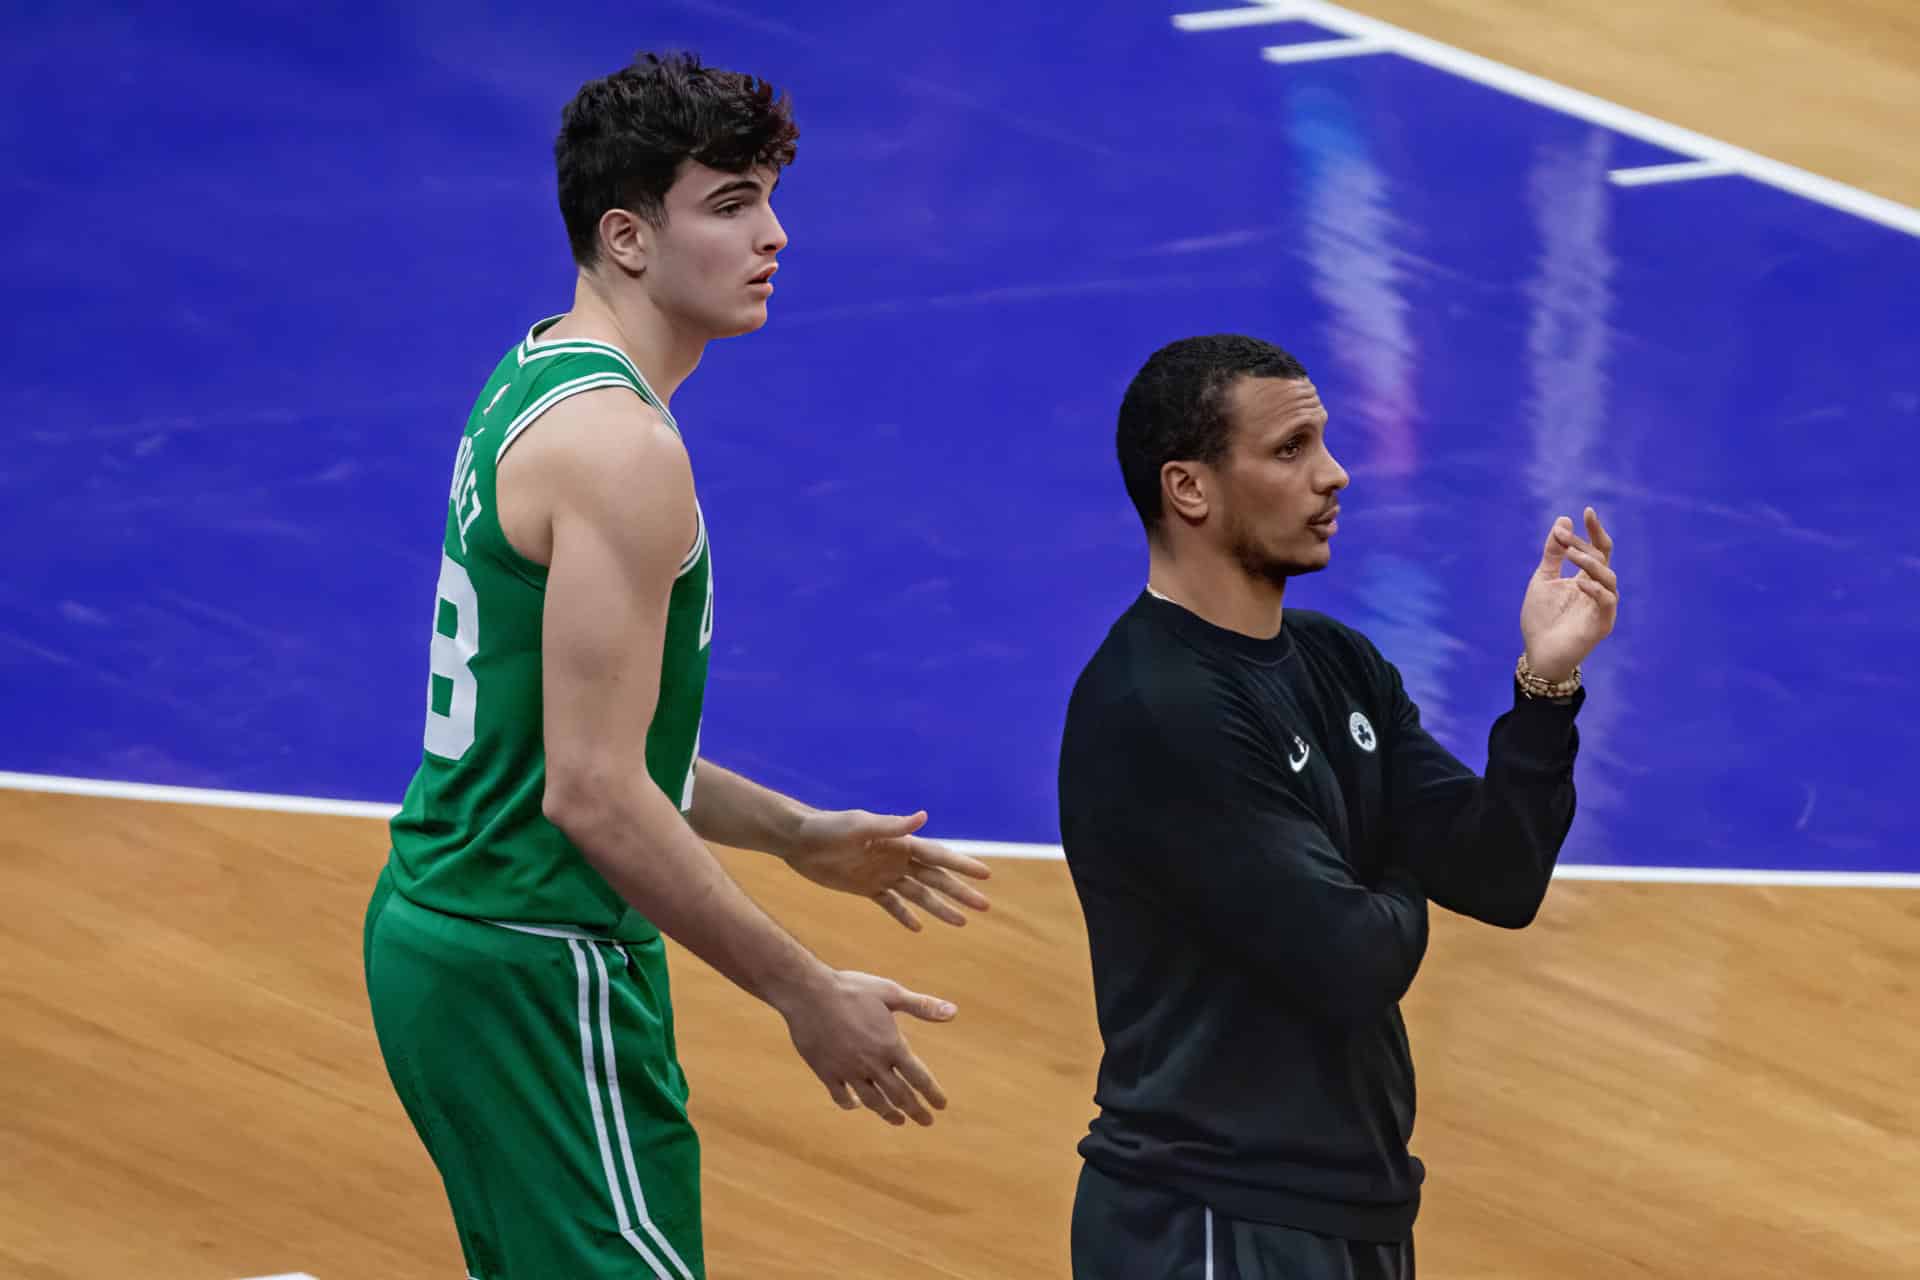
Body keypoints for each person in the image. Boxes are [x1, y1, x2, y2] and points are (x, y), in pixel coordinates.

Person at [362, 51, 992, 1280]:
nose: (774, 234)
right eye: (731, 204)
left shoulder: (539, 369)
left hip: (459, 936)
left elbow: (579, 738)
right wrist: (804, 987)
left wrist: (794, 832)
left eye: (769, 198)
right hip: (536, 961)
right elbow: (594, 791)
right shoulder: (622, 450)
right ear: (627, 236)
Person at [1056, 334, 1618, 1279]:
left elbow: (1499, 875)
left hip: (1349, 1204)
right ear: (1188, 489)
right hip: (1211, 1219)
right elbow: (1354, 958)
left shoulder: (1336, 661)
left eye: (1321, 441)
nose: (1334, 473)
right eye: (1290, 450)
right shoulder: (1160, 706)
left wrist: (1545, 690)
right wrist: (1390, 856)